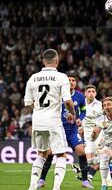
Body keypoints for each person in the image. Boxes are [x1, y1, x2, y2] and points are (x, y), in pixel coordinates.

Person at [24, 49, 75, 190]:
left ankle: (32, 187)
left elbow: (27, 104)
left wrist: (39, 110)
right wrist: (73, 113)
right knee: (61, 154)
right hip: (53, 120)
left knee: (42, 153)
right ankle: (56, 187)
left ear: (43, 61)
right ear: (57, 61)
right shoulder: (61, 77)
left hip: (38, 120)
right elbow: (68, 101)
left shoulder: (33, 78)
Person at [37, 72, 93, 189]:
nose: (71, 82)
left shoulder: (80, 96)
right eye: (69, 80)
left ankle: (85, 181)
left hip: (72, 130)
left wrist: (79, 119)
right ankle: (42, 179)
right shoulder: (57, 95)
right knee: (51, 153)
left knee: (81, 151)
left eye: (73, 80)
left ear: (75, 83)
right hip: (58, 128)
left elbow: (83, 111)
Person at [82, 85, 103, 180]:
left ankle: (89, 176)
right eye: (89, 91)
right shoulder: (81, 104)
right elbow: (79, 117)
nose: (91, 93)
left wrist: (99, 126)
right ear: (85, 94)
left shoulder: (100, 105)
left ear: (96, 93)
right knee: (89, 160)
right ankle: (110, 159)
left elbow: (105, 119)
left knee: (95, 156)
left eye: (93, 91)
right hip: (87, 134)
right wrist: (79, 127)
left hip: (99, 134)